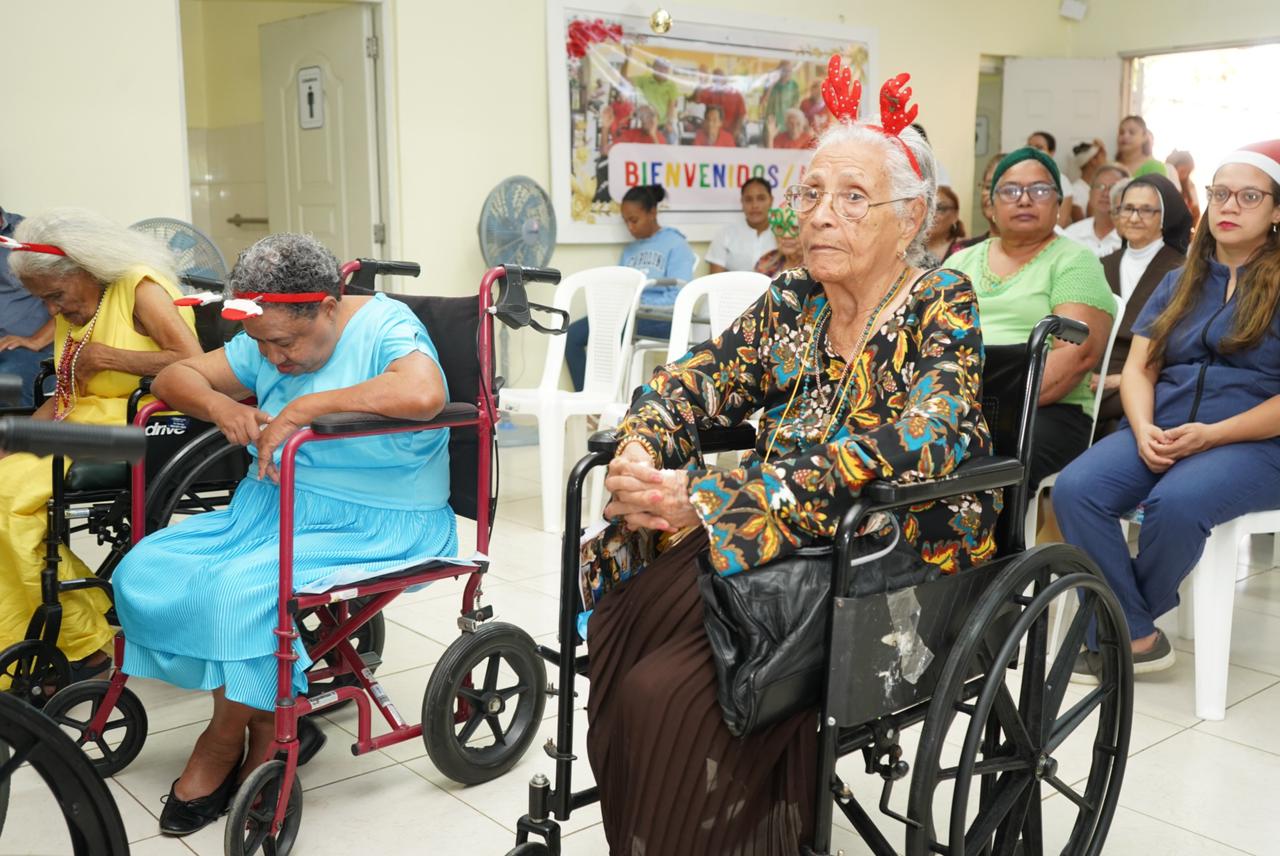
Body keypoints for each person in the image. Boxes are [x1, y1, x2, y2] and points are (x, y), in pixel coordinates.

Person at [584, 75, 999, 855]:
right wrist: (642, 445)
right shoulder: (795, 300)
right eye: (810, 194)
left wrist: (720, 498)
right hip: (774, 535)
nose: (819, 214)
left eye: (851, 197)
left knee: (660, 695)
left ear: (910, 218)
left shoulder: (940, 299)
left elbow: (929, 437)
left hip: (885, 546)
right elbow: (694, 381)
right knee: (618, 621)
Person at [112, 233, 456, 836]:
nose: (272, 359)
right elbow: (175, 377)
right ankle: (270, 717)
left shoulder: (386, 326)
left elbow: (424, 394)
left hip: (375, 517)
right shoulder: (267, 333)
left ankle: (223, 742)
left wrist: (302, 408)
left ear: (327, 306)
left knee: (237, 593)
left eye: (285, 343)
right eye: (261, 343)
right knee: (144, 567)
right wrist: (223, 408)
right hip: (274, 505)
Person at [1054, 140, 1280, 681]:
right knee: (1076, 489)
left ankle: (1115, 631)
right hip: (1164, 426)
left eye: (1249, 197)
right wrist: (1143, 428)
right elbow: (1140, 369)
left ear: (1276, 212)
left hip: (1256, 442)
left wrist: (1212, 435)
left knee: (1176, 502)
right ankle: (1136, 633)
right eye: (1220, 194)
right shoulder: (1180, 281)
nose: (1229, 206)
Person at [0, 208, 200, 680]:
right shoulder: (76, 307)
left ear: (86, 269)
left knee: (8, 503)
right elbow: (67, 394)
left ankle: (82, 641)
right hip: (85, 420)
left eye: (55, 296)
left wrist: (110, 356)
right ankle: (42, 634)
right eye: (43, 300)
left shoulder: (140, 287)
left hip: (146, 424)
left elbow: (194, 360)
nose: (52, 311)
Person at [947, 147, 1116, 494]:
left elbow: (1077, 356)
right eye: (1010, 190)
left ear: (1058, 204)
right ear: (991, 206)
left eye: (1039, 190)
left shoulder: (1074, 261)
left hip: (1047, 411)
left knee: (980, 460)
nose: (1024, 199)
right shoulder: (960, 262)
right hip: (957, 405)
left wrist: (988, 405)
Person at [565, 185, 695, 391]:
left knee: (612, 331)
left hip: (661, 319)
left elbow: (680, 295)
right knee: (571, 335)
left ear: (652, 212)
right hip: (628, 315)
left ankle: (610, 396)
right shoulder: (630, 250)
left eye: (634, 220)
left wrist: (638, 302)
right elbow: (621, 288)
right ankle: (587, 397)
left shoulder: (676, 244)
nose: (630, 227)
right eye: (626, 221)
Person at [1093, 173, 1193, 437]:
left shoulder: (1183, 271)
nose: (1134, 218)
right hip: (1092, 377)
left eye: (1146, 210)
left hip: (1149, 376)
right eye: (1128, 208)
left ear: (1164, 217)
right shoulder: (1101, 265)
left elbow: (1182, 342)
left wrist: (1122, 379)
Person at [0, 206, 54, 406]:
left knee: (5, 383)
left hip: (24, 352)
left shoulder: (30, 236)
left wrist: (36, 340)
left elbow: (74, 297)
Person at [706, 177, 775, 273]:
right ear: (742, 202)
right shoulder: (725, 235)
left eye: (761, 199)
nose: (755, 205)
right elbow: (715, 279)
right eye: (748, 200)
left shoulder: (783, 235)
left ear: (771, 200)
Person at [1063, 163, 1130, 257]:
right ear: (1090, 193)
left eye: (1113, 187)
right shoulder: (1071, 234)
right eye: (1100, 187)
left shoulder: (1131, 237)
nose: (1105, 193)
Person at [950, 151, 1006, 254]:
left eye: (1004, 188)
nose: (992, 194)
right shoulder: (963, 252)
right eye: (988, 187)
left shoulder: (1034, 252)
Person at [625, 53, 681, 144]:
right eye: (659, 67)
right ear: (654, 68)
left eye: (665, 68)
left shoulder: (671, 85)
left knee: (670, 144)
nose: (662, 70)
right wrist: (627, 59)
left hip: (663, 125)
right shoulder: (644, 80)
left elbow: (671, 105)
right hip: (647, 124)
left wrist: (669, 122)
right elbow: (624, 80)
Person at [1027, 131, 1074, 227]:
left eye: (1039, 147)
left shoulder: (1061, 181)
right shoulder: (1018, 177)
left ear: (1051, 152)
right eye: (1029, 147)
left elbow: (1062, 221)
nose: (1033, 151)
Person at [692, 68, 746, 141]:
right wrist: (702, 81)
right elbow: (697, 99)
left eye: (720, 77)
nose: (718, 80)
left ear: (725, 79)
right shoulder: (709, 92)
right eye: (715, 78)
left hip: (731, 134)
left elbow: (741, 115)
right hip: (712, 134)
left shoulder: (736, 94)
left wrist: (737, 130)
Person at [753, 206, 803, 276]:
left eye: (795, 228)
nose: (786, 235)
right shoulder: (766, 261)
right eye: (780, 227)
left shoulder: (815, 268)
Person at [1070, 139, 1108, 220]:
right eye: (1103, 156)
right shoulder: (1075, 192)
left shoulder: (1105, 188)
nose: (1106, 160)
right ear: (1093, 160)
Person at [926, 185, 965, 262]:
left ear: (955, 215)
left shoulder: (965, 249)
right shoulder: (910, 249)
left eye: (940, 208)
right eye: (928, 207)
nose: (932, 214)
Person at [1166, 149, 1202, 228]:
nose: (1185, 176)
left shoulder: (1190, 185)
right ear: (1173, 167)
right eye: (1183, 171)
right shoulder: (1166, 182)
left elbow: (1196, 213)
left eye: (1188, 172)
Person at [760, 59, 799, 130]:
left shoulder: (794, 85)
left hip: (786, 126)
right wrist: (772, 82)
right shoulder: (770, 82)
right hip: (771, 124)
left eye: (789, 71)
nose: (787, 73)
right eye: (784, 71)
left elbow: (795, 106)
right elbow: (763, 101)